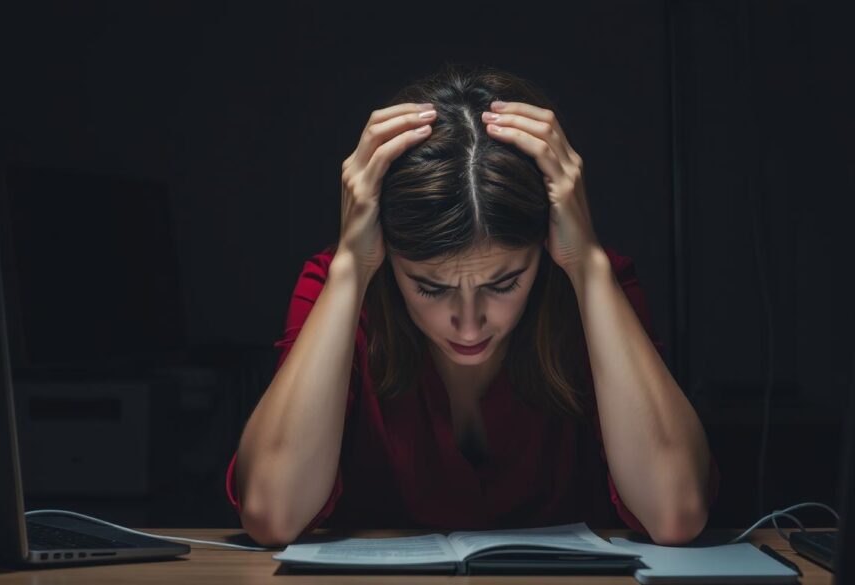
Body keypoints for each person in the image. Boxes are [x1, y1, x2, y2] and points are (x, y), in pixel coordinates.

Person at [226, 63, 720, 547]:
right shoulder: (342, 287)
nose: (467, 325)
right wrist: (351, 266)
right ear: (389, 254)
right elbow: (274, 513)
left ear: (544, 248)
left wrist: (587, 264)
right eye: (431, 287)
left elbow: (675, 511)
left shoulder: (589, 284)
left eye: (504, 283)